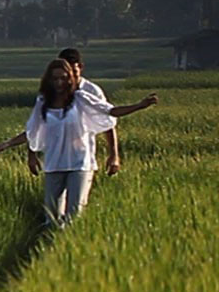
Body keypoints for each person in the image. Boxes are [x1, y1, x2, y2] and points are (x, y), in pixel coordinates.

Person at [21, 60, 156, 227]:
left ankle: (68, 248)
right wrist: (31, 156)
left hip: (79, 164)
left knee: (74, 216)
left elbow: (109, 111)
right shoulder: (43, 103)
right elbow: (33, 130)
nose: (59, 83)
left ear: (70, 79)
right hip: (54, 164)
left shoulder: (80, 99)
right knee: (52, 217)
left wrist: (139, 106)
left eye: (63, 78)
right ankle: (49, 244)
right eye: (55, 79)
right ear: (48, 80)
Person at [0, 47, 155, 173]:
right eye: (60, 75)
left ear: (80, 67)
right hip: (55, 161)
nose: (65, 80)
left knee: (75, 206)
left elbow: (108, 119)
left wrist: (114, 155)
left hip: (81, 159)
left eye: (71, 72)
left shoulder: (89, 92)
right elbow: (37, 127)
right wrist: (29, 153)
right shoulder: (47, 96)